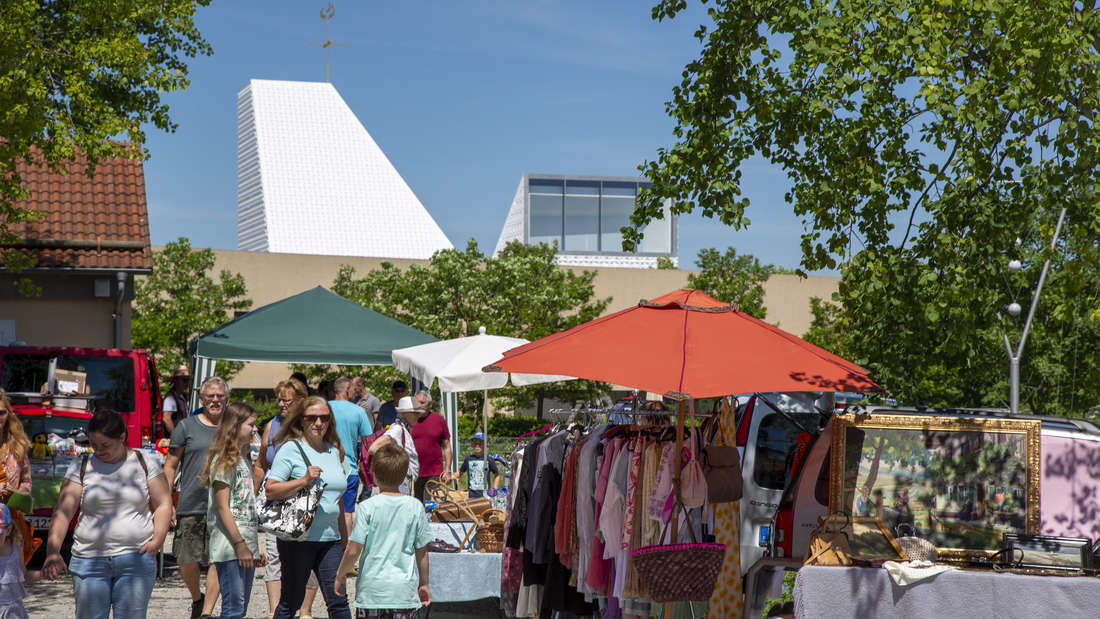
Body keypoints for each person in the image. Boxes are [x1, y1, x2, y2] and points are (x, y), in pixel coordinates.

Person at [42, 408, 172, 619]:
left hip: (135, 559)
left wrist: (157, 541)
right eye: (93, 444)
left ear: (122, 437)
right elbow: (63, 511)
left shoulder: (144, 462)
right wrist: (53, 551)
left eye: (105, 445)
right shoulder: (81, 465)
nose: (99, 450)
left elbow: (164, 504)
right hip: (89, 560)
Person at [265, 396, 351, 619]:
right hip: (297, 540)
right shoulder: (290, 449)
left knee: (339, 601)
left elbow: (338, 497)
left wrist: (344, 536)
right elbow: (271, 489)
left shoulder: (334, 451)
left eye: (324, 417)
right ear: (301, 421)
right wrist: (303, 481)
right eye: (312, 418)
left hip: (330, 539)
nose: (318, 423)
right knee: (290, 602)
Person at [334, 442, 431, 618]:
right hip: (403, 592)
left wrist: (340, 574)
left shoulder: (367, 507)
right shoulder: (415, 507)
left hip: (372, 591)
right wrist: (424, 583)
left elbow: (354, 549)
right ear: (404, 476)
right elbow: (422, 551)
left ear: (374, 475)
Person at [163, 376, 227, 619]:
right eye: (210, 396)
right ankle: (197, 599)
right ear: (201, 399)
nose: (215, 400)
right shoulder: (186, 427)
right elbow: (170, 466)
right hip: (191, 502)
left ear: (226, 399)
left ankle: (207, 612)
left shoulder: (232, 427)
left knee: (218, 559)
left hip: (223, 506)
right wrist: (167, 502)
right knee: (185, 558)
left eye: (220, 396)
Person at [255, 378, 319, 619]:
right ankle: (275, 610)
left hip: (305, 496)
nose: (280, 404)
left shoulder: (312, 424)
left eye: (286, 400)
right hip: (276, 494)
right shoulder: (272, 424)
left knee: (307, 552)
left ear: (301, 401)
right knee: (273, 554)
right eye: (278, 399)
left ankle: (305, 610)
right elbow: (261, 462)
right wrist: (254, 494)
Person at [199, 402, 261, 619]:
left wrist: (252, 547)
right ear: (235, 426)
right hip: (230, 546)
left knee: (240, 609)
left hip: (245, 544)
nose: (255, 429)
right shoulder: (224, 460)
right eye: (250, 425)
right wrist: (240, 544)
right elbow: (222, 506)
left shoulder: (243, 459)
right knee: (233, 609)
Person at [329, 376, 373, 533]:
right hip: (349, 469)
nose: (356, 393)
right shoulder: (358, 411)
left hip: (324, 468)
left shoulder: (322, 409)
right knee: (347, 512)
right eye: (354, 390)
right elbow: (369, 441)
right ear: (347, 389)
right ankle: (346, 552)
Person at [0, 389, 33, 564]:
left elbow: (27, 482)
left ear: (8, 415)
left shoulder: (18, 447)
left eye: (1, 412)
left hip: (10, 526)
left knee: (10, 581)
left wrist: (14, 493)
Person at [367, 396, 420, 496]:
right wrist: (393, 464)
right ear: (405, 413)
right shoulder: (397, 429)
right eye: (415, 413)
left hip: (404, 480)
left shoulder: (403, 429)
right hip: (400, 481)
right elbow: (373, 448)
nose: (418, 416)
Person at [0, 503, 41, 618]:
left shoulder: (16, 551)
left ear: (8, 530)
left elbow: (23, 576)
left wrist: (42, 574)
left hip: (12, 612)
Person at [409, 390, 450, 501]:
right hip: (415, 471)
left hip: (434, 471)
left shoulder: (439, 420)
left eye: (422, 402)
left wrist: (447, 470)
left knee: (430, 505)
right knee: (417, 503)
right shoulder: (410, 420)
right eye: (417, 403)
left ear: (430, 404)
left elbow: (447, 446)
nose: (419, 405)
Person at [449, 432, 500, 499]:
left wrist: (494, 489)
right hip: (471, 495)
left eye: (480, 443)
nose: (477, 445)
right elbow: (459, 473)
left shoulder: (489, 459)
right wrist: (450, 477)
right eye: (475, 443)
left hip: (485, 496)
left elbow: (497, 475)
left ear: (486, 445)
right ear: (472, 445)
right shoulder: (468, 459)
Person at [162, 365, 192, 435]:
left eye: (188, 380)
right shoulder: (170, 398)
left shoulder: (182, 396)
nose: (186, 383)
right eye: (184, 380)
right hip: (174, 440)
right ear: (176, 380)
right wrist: (175, 436)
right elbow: (166, 418)